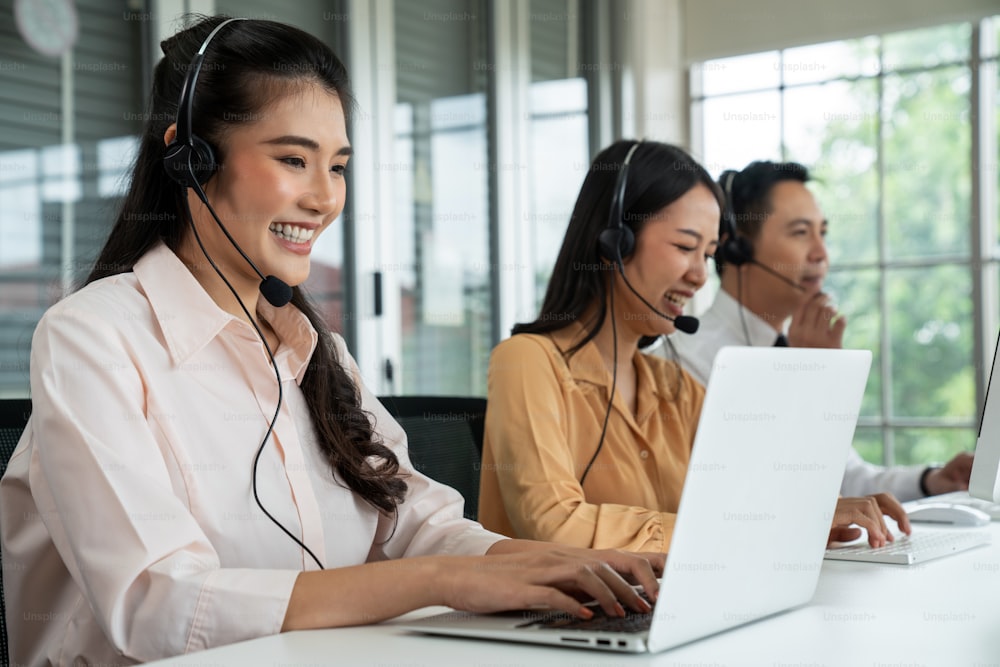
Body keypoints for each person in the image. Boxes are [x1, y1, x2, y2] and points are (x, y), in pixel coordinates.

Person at [0, 17, 662, 666]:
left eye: (338, 166)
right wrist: (439, 580)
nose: (325, 197)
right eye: (294, 159)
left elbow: (413, 523)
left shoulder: (317, 350)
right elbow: (157, 600)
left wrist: (551, 562)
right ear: (190, 159)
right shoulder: (92, 337)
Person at [477, 140, 911, 555]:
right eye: (685, 247)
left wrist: (808, 515)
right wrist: (763, 523)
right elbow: (554, 525)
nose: (701, 276)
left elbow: (758, 495)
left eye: (706, 255)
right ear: (614, 241)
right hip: (551, 624)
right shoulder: (527, 362)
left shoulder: (676, 388)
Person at [657, 160, 974, 501]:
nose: (821, 253)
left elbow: (845, 477)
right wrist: (805, 383)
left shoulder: (799, 344)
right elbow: (758, 498)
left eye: (822, 233)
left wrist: (932, 480)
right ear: (736, 248)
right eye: (800, 232)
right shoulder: (682, 363)